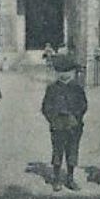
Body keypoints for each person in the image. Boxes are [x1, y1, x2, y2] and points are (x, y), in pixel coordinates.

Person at [38, 53, 87, 191]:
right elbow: (46, 107)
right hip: (58, 125)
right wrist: (53, 119)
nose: (65, 75)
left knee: (72, 151)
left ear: (72, 73)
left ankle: (70, 178)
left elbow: (83, 105)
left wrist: (76, 117)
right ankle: (57, 178)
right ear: (57, 73)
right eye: (61, 72)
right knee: (58, 152)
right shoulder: (52, 89)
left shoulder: (77, 89)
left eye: (68, 72)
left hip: (74, 125)